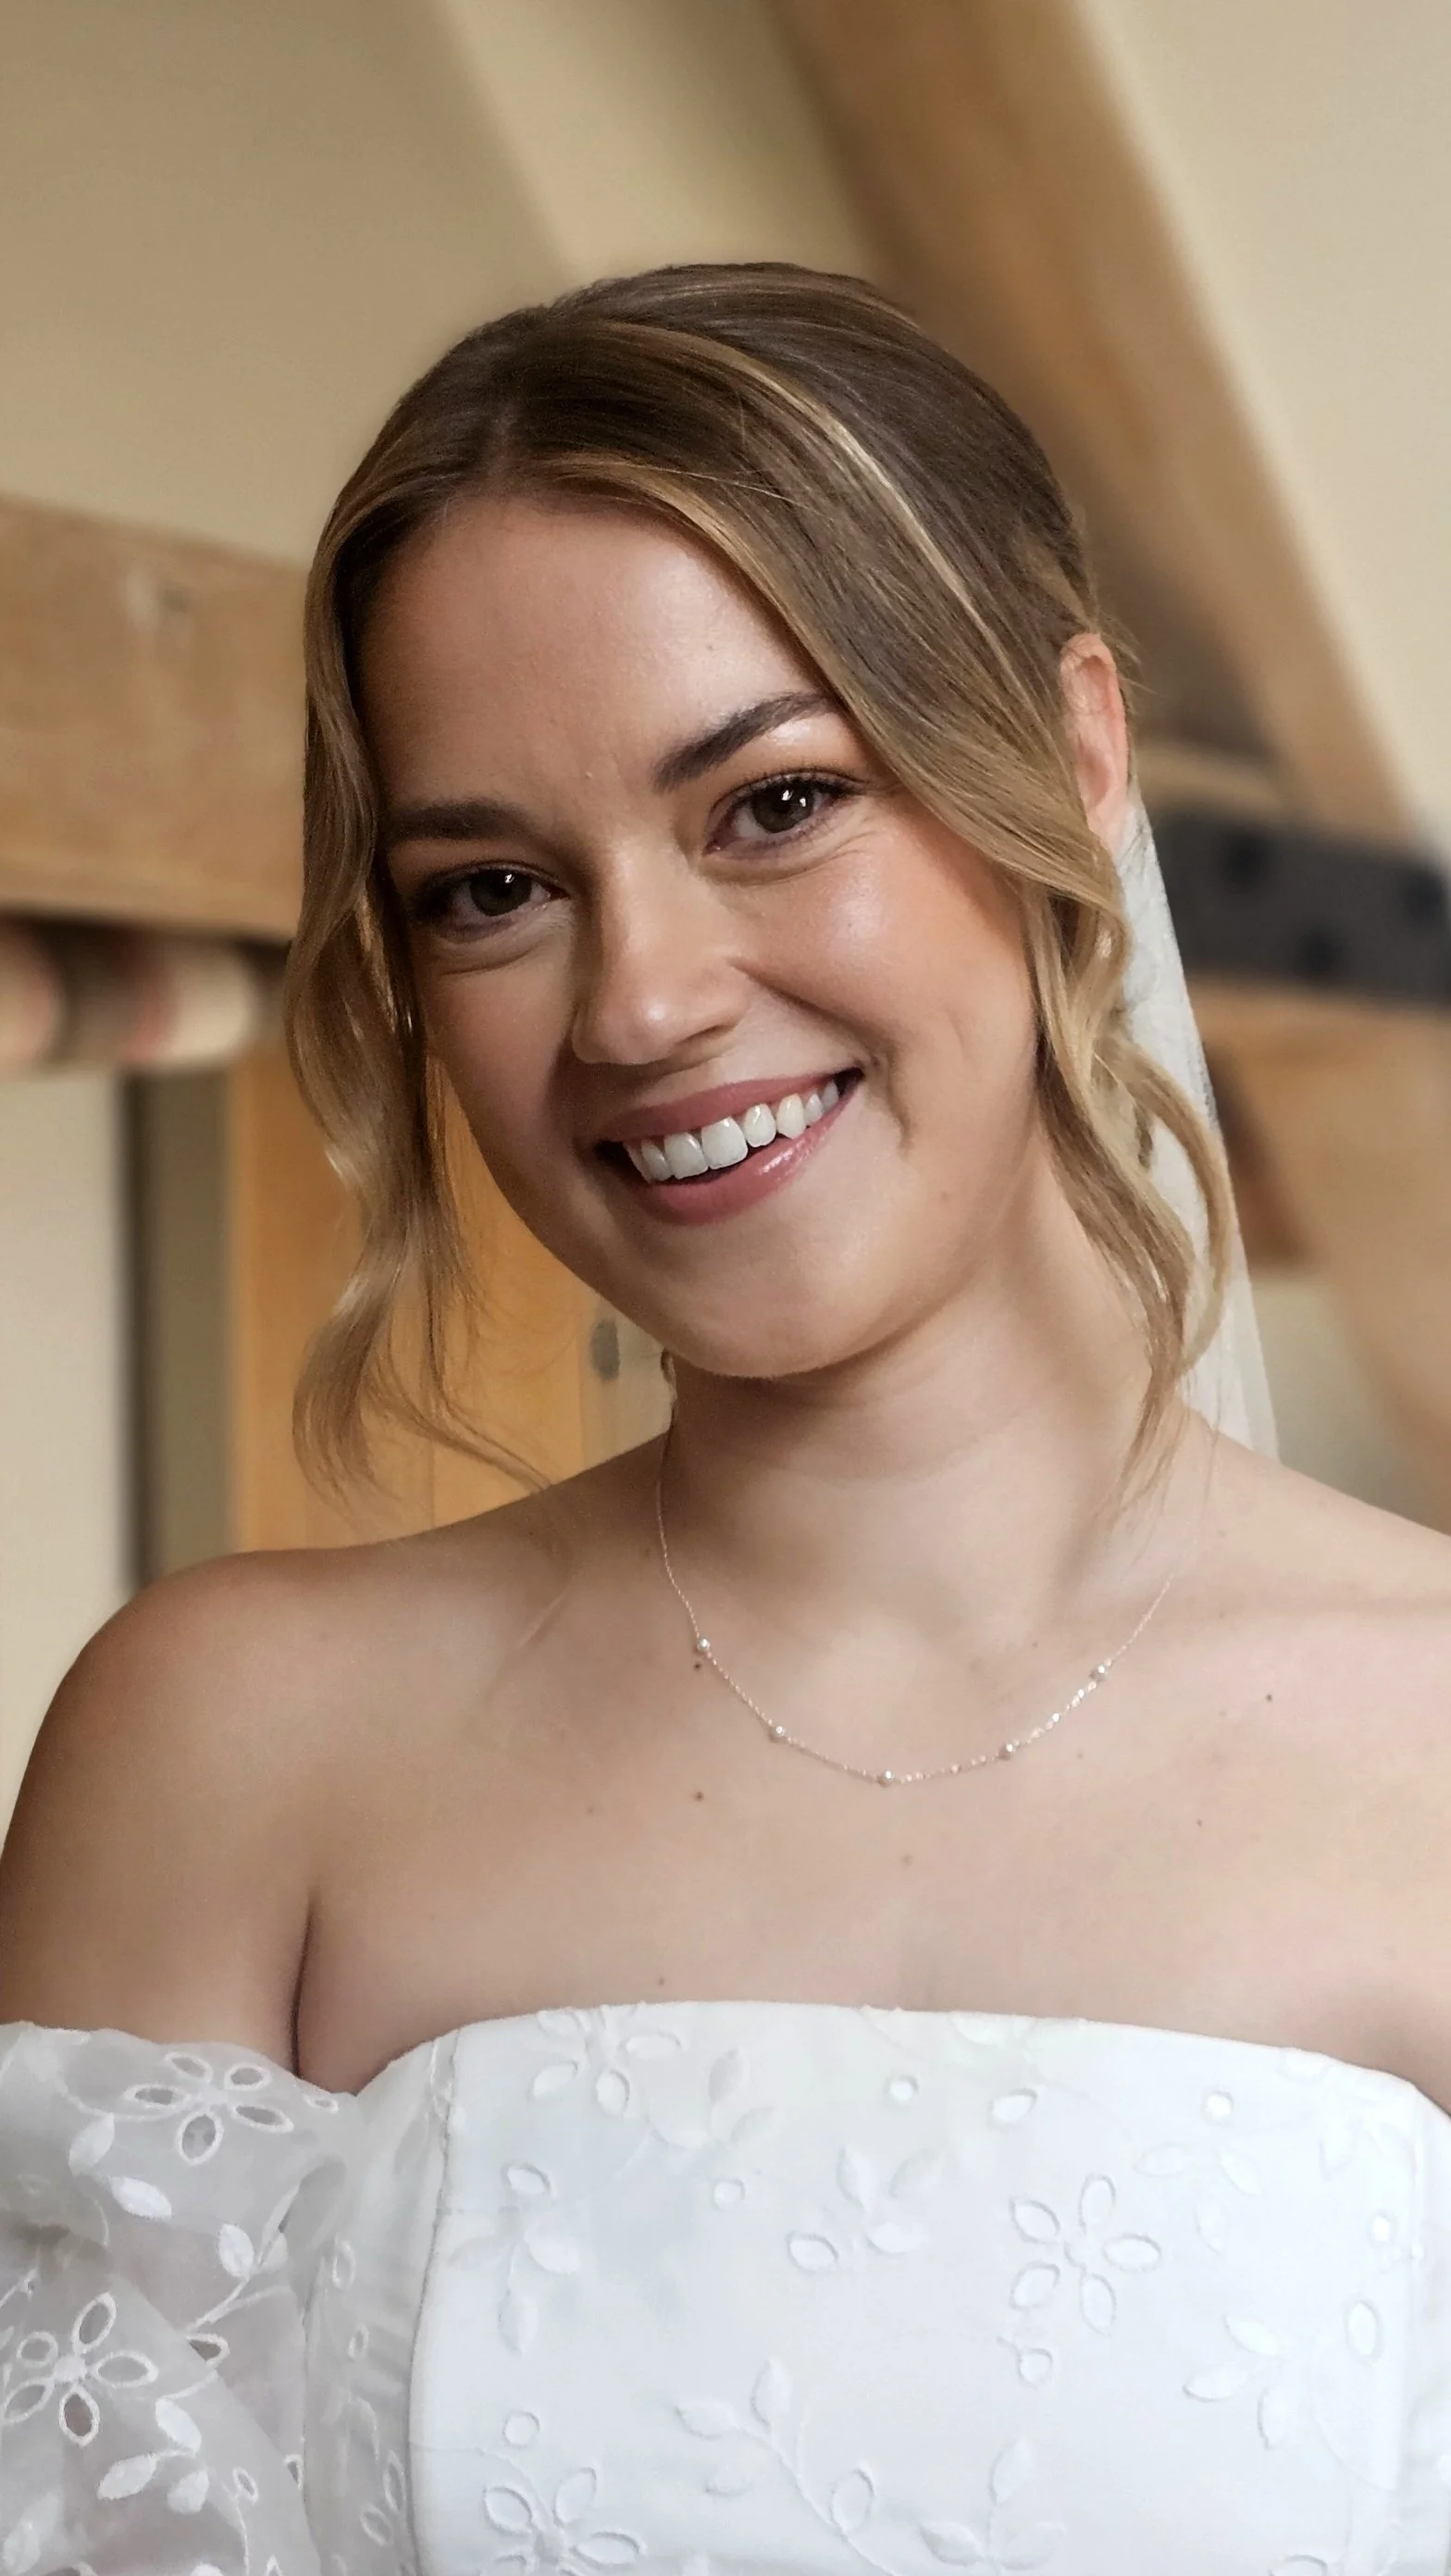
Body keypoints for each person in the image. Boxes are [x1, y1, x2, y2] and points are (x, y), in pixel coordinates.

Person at [3, 262, 1451, 2573]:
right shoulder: (226, 1745)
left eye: (772, 803)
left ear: (1069, 758)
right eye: (491, 890)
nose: (647, 1001)